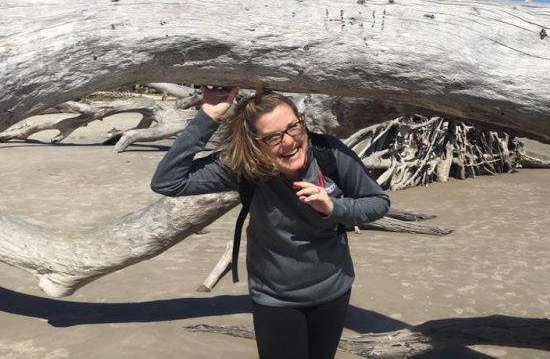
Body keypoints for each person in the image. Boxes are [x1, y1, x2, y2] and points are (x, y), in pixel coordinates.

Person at [150, 86, 390, 359]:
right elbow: (167, 181)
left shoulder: (329, 154)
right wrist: (207, 116)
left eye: (293, 128)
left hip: (333, 288)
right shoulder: (244, 167)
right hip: (276, 298)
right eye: (273, 137)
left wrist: (334, 207)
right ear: (254, 144)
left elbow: (378, 203)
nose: (288, 142)